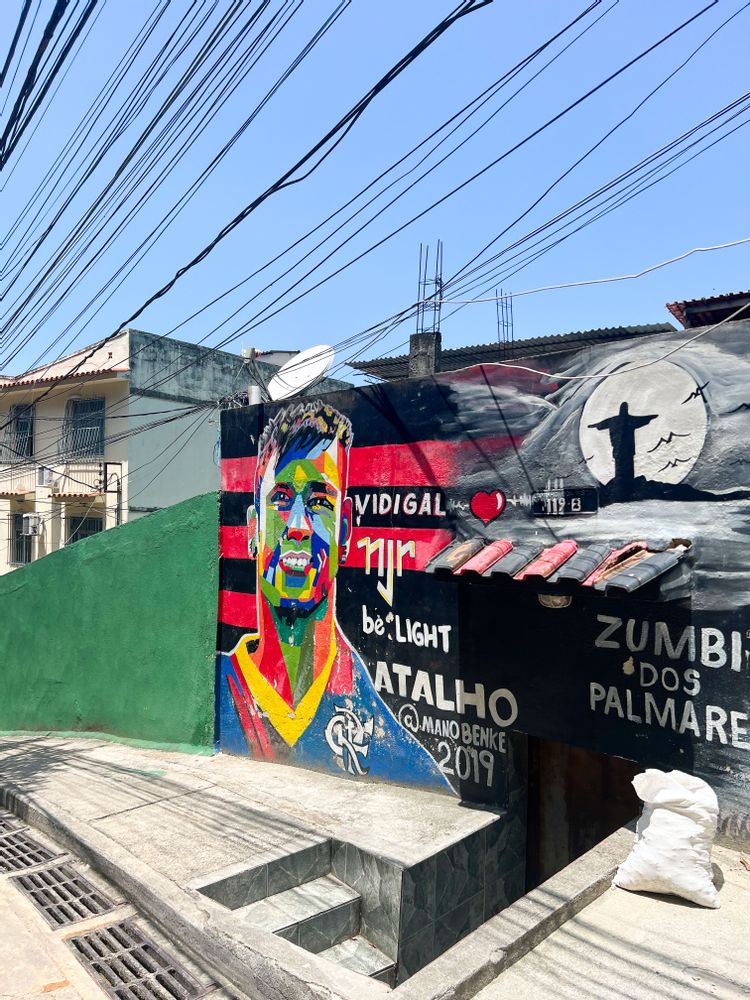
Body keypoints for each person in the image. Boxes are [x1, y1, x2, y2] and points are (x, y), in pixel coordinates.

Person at [218, 399, 450, 791]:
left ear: (344, 530)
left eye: (319, 502)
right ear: (254, 528)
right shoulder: (225, 684)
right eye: (280, 499)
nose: (298, 527)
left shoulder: (383, 720)